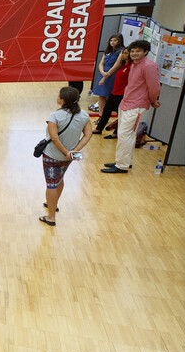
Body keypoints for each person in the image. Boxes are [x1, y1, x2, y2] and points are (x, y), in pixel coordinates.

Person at [103, 39, 161, 174]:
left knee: (125, 135)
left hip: (136, 105)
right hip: (126, 103)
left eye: (138, 51)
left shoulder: (149, 66)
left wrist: (153, 100)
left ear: (145, 52)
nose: (134, 54)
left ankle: (121, 165)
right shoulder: (134, 64)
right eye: (132, 51)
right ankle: (124, 161)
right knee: (127, 135)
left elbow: (154, 87)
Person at [40, 86, 93, 226]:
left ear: (62, 101)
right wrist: (73, 151)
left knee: (51, 183)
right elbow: (88, 134)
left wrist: (65, 151)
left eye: (58, 95)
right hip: (69, 157)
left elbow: (55, 138)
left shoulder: (54, 116)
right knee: (59, 178)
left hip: (52, 155)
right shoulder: (84, 116)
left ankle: (51, 216)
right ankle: (54, 204)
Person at [95, 47, 130, 136]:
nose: (123, 55)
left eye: (126, 53)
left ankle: (116, 133)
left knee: (120, 114)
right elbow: (116, 64)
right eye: (123, 53)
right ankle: (99, 129)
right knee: (106, 111)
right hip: (114, 91)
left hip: (122, 93)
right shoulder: (121, 65)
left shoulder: (131, 67)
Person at [93, 34, 125, 112]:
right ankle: (100, 115)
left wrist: (106, 76)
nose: (112, 42)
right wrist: (102, 72)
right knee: (101, 96)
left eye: (115, 40)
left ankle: (106, 114)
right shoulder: (107, 50)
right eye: (111, 40)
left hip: (112, 74)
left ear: (119, 41)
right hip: (103, 73)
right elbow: (101, 63)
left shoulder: (121, 51)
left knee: (109, 96)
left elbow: (116, 65)